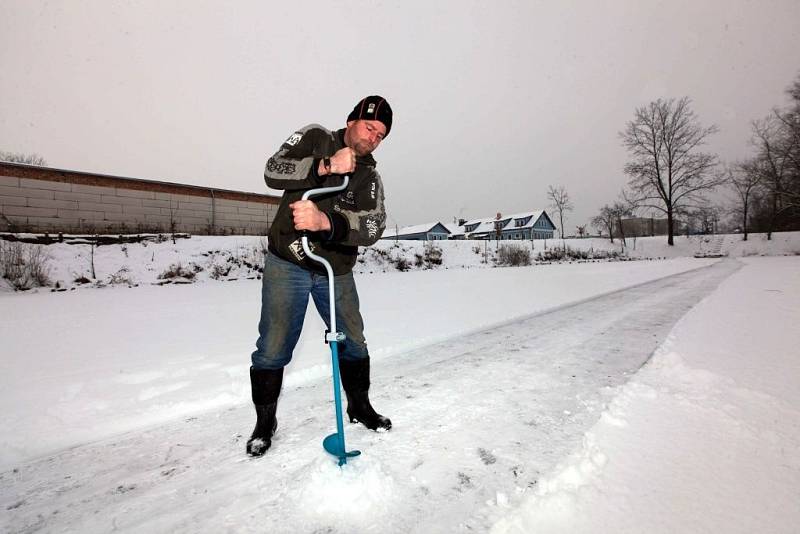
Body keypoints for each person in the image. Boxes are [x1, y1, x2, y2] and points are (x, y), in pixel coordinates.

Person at [247, 96, 394, 456]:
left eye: (380, 135)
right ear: (352, 121)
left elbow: (373, 226)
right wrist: (325, 166)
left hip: (335, 272)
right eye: (369, 127)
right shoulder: (315, 137)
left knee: (354, 342)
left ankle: (359, 407)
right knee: (273, 347)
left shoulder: (369, 176)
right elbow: (273, 169)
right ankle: (265, 423)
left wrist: (326, 222)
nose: (373, 138)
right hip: (289, 264)